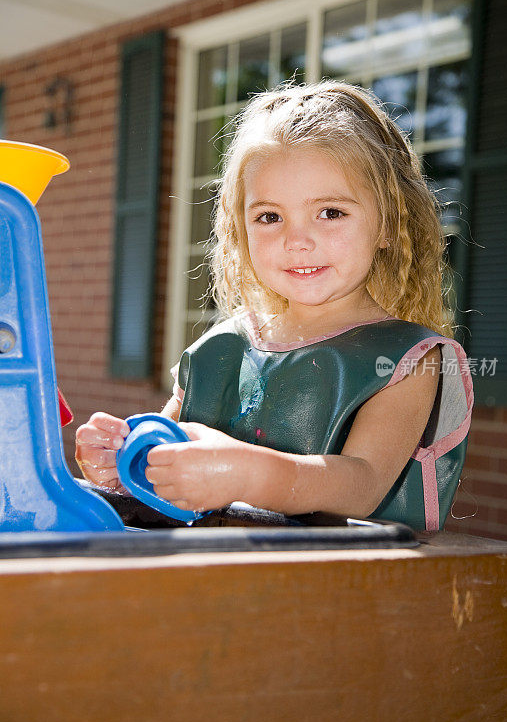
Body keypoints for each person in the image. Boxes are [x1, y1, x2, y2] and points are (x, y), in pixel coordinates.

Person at [75, 80, 473, 531]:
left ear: (387, 224)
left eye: (330, 212)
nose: (296, 240)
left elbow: (362, 484)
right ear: (240, 230)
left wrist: (247, 473)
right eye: (269, 217)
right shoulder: (218, 350)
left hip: (347, 594)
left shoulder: (407, 358)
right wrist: (126, 464)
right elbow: (166, 464)